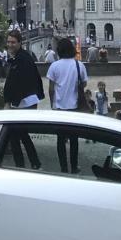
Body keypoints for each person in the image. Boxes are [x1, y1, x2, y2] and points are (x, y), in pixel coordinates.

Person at [45, 37, 88, 173]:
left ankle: (63, 167)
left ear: (59, 50)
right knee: (74, 139)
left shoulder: (54, 66)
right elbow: (84, 84)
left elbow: (51, 88)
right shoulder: (79, 65)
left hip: (59, 108)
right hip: (74, 107)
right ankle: (74, 167)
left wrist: (53, 104)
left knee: (60, 139)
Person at [2, 32, 42, 112]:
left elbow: (14, 82)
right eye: (8, 42)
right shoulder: (22, 56)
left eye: (13, 42)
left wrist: (8, 101)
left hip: (24, 102)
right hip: (26, 100)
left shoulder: (21, 59)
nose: (10, 45)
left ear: (20, 43)